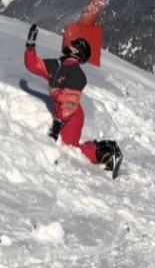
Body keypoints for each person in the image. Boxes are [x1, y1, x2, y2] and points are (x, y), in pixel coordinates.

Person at [24, 24, 122, 175]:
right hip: (63, 114)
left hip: (72, 117)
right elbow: (33, 65)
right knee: (69, 147)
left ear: (78, 52)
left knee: (70, 149)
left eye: (75, 44)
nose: (69, 44)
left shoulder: (76, 74)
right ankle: (102, 150)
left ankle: (105, 152)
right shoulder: (56, 66)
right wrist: (30, 46)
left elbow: (70, 104)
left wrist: (58, 124)